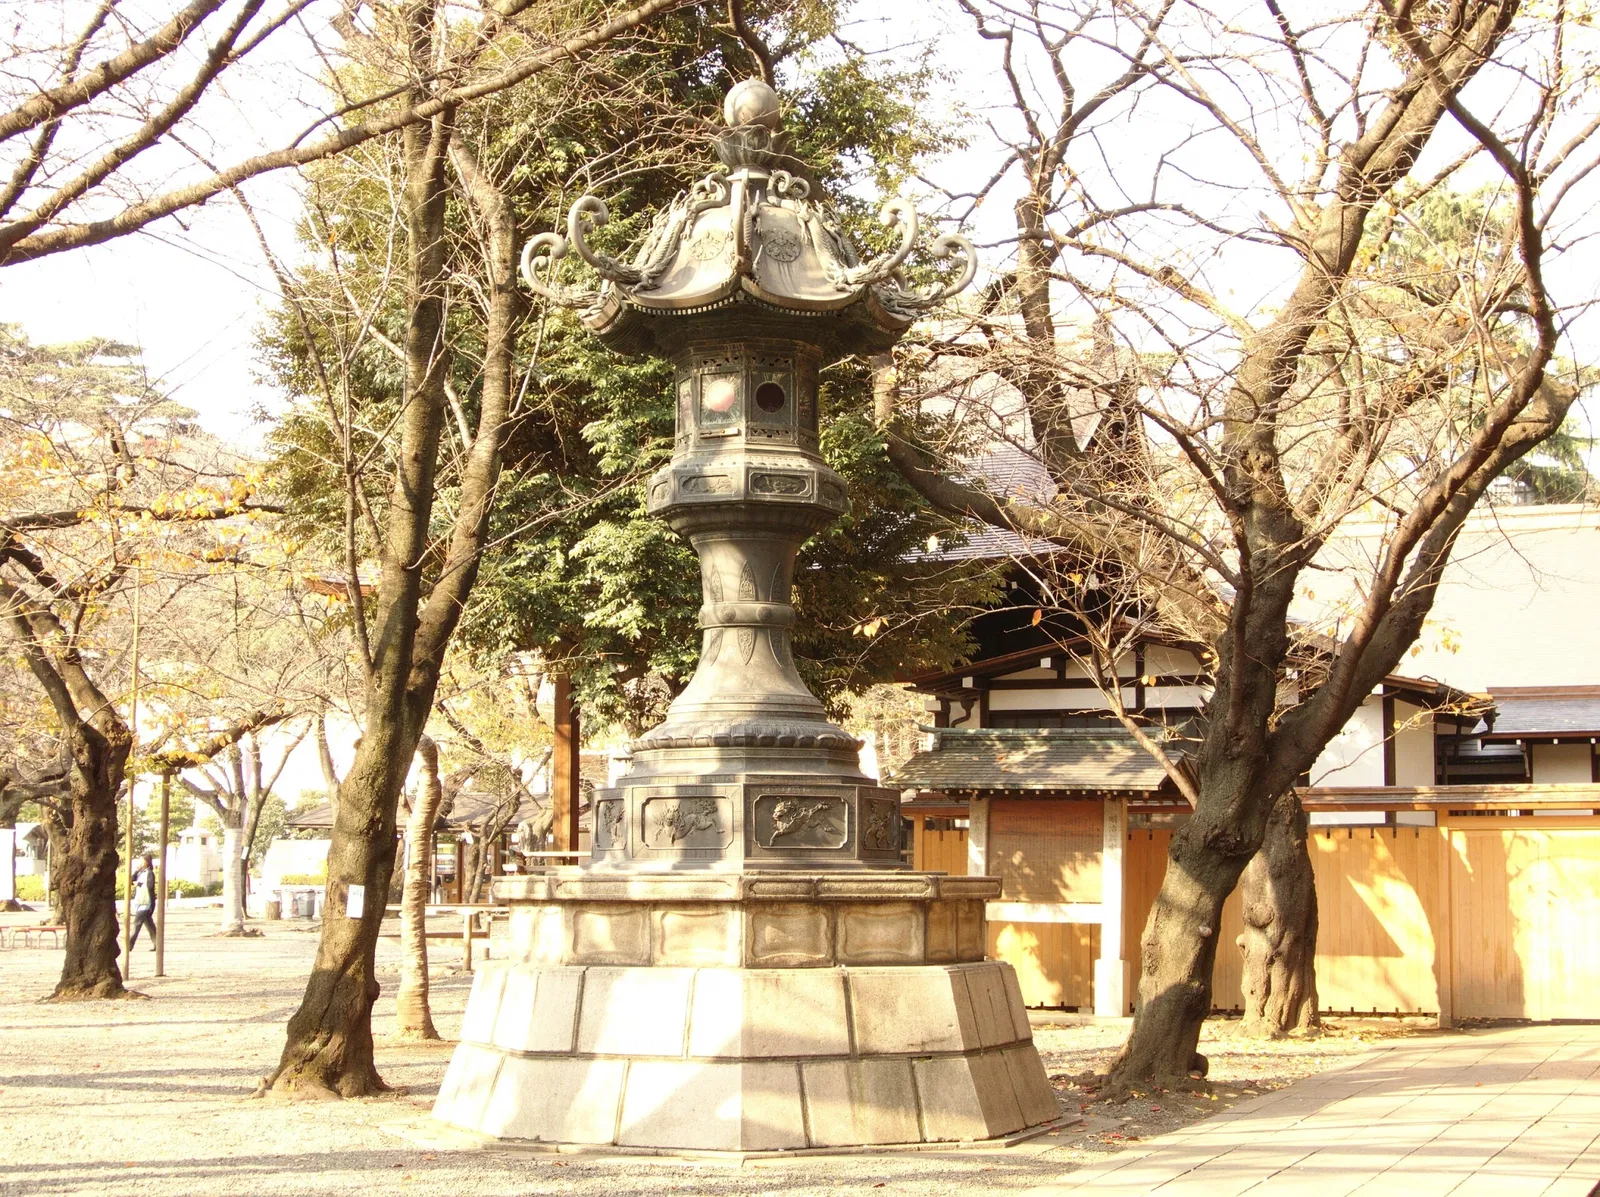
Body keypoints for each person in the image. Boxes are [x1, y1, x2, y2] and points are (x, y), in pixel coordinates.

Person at [128, 852, 158, 951]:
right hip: (139, 901)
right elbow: (131, 880)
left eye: (142, 860)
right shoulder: (140, 872)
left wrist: (139, 884)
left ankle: (129, 945)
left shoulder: (150, 873)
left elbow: (150, 886)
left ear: (147, 862)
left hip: (146, 902)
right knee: (150, 925)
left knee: (136, 924)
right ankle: (158, 943)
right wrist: (136, 871)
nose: (140, 862)